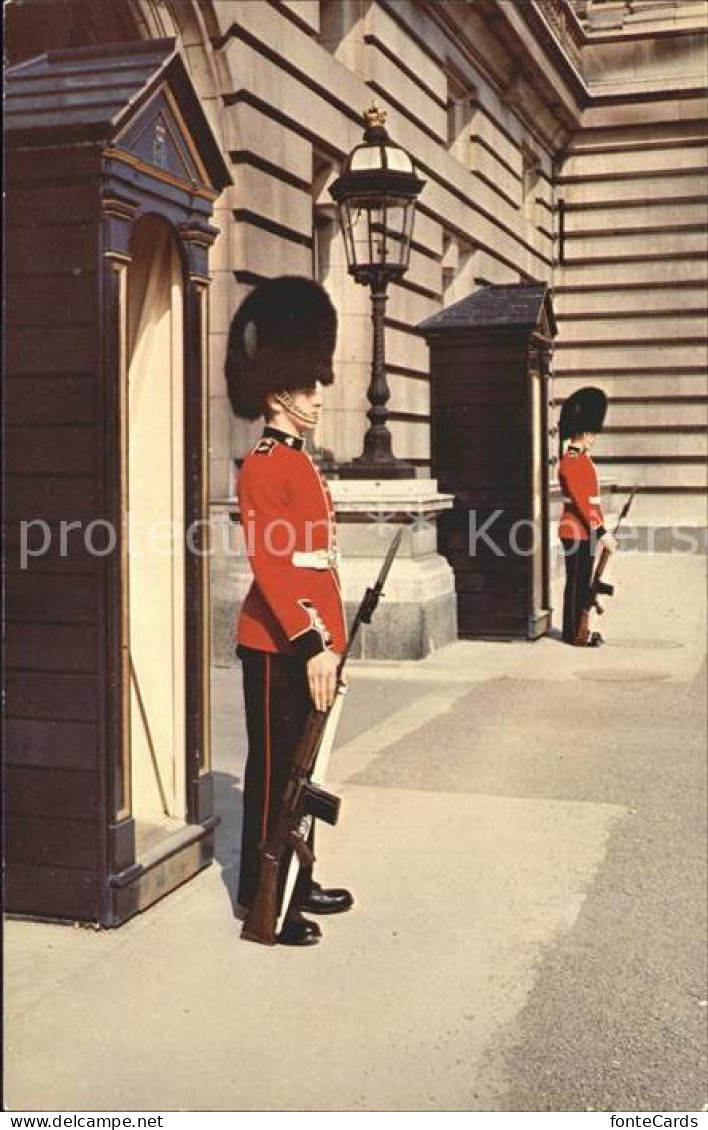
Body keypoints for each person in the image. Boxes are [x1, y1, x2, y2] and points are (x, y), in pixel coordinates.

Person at [225, 275, 353, 947]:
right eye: (308, 388)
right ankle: (262, 899)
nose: (318, 396)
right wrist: (313, 645)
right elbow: (275, 568)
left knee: (308, 770)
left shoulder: (301, 462)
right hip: (279, 645)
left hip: (311, 639)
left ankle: (298, 882)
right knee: (277, 773)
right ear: (277, 393)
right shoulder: (265, 466)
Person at [558, 386, 617, 647]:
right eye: (591, 432)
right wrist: (602, 532)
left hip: (582, 529)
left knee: (582, 582)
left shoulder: (579, 459)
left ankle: (579, 629)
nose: (594, 437)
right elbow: (583, 502)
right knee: (578, 583)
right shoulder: (573, 460)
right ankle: (574, 633)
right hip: (577, 529)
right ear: (581, 432)